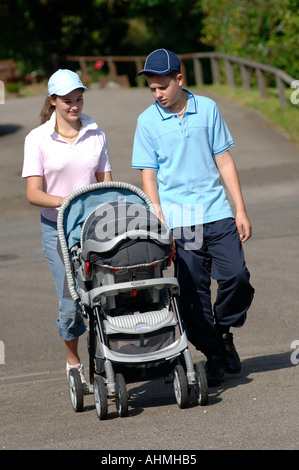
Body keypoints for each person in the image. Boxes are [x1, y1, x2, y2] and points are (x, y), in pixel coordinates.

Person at [132, 49, 254, 386]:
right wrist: (160, 219)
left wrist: (239, 208)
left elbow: (224, 160)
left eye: (162, 87)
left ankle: (224, 330)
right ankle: (213, 352)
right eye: (152, 89)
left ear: (179, 79)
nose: (157, 94)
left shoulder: (208, 109)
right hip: (180, 219)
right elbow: (148, 176)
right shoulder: (147, 121)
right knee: (192, 290)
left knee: (237, 277)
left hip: (216, 211)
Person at [22, 69, 112, 386]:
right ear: (53, 100)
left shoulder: (95, 133)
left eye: (79, 99)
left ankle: (107, 357)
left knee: (105, 295)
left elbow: (106, 184)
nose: (75, 106)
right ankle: (73, 360)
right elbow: (33, 193)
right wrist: (69, 200)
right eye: (67, 101)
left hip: (94, 227)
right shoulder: (37, 139)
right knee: (70, 302)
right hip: (57, 229)